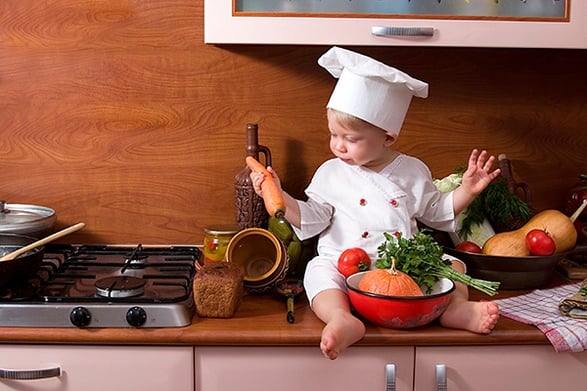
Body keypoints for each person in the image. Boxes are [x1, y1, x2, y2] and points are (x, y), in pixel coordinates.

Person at [250, 47, 501, 360]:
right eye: (333, 135)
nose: (339, 146)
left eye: (351, 139)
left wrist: (468, 190)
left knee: (453, 265)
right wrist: (278, 194)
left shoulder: (412, 170)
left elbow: (438, 212)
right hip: (344, 264)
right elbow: (312, 217)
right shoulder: (330, 172)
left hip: (399, 267)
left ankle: (457, 310)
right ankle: (342, 318)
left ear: (388, 137)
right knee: (317, 270)